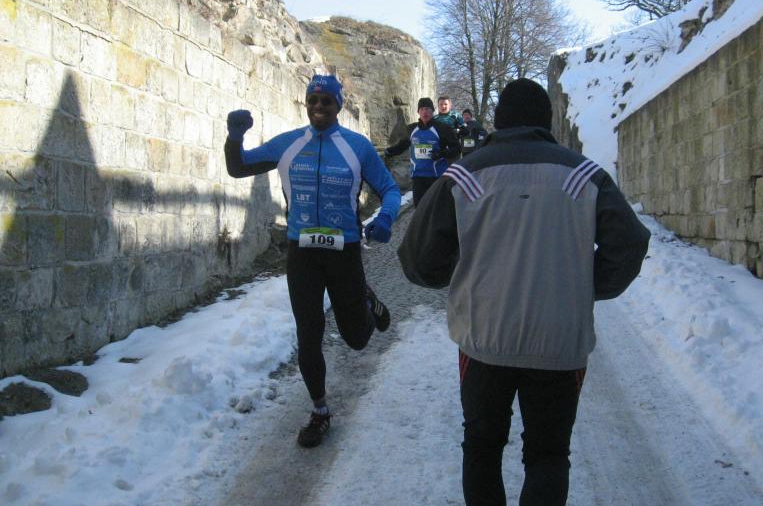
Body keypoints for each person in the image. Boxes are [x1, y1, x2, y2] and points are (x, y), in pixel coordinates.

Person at [398, 78, 650, 505]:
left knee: (481, 448)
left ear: (498, 121)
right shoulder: (585, 175)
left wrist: (458, 276)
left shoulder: (465, 175)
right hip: (559, 339)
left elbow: (418, 258)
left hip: (483, 337)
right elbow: (630, 244)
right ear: (547, 122)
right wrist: (585, 286)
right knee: (549, 453)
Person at [225, 74, 401, 449]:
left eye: (326, 101)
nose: (319, 107)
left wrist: (386, 217)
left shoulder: (357, 146)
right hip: (302, 254)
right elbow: (238, 167)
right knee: (309, 334)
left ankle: (366, 300)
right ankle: (320, 411)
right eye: (313, 100)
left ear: (338, 106)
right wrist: (234, 138)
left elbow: (389, 189)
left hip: (344, 252)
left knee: (356, 339)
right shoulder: (289, 143)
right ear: (306, 104)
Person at [385, 97, 460, 207]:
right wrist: (388, 152)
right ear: (418, 112)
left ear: (432, 111)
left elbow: (457, 149)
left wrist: (442, 153)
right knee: (419, 209)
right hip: (418, 176)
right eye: (422, 109)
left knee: (436, 208)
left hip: (437, 176)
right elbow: (402, 145)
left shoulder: (443, 128)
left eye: (428, 109)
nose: (425, 112)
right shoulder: (411, 129)